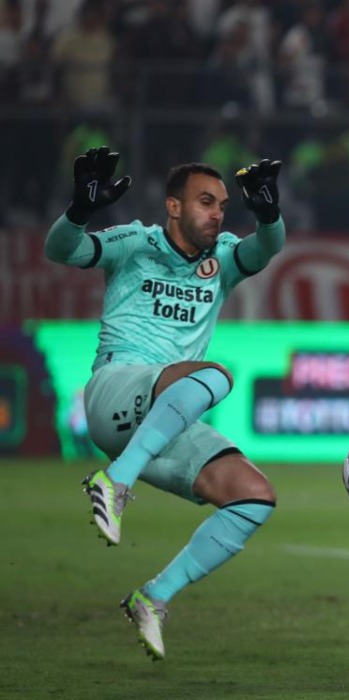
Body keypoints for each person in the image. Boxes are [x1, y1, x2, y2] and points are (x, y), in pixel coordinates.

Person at [44, 147, 287, 660]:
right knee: (215, 375)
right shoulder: (135, 242)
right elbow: (61, 251)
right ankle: (116, 481)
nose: (217, 213)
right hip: (116, 390)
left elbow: (265, 250)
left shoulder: (221, 259)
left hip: (165, 417)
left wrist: (269, 217)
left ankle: (153, 597)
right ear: (174, 207)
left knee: (253, 495)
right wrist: (78, 212)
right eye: (204, 202)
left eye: (222, 204)